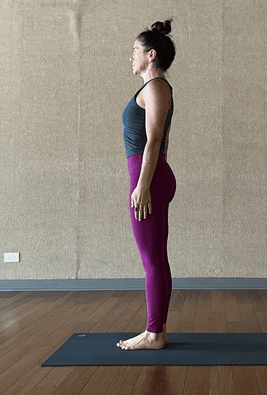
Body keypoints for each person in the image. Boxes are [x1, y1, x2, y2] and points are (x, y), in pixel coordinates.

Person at [117, 19, 177, 350]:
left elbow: (154, 140)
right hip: (150, 175)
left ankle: (154, 334)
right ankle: (158, 331)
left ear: (151, 55)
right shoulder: (151, 89)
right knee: (156, 258)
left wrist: (142, 185)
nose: (131, 57)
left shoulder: (155, 87)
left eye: (135, 51)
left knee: (151, 260)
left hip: (147, 178)